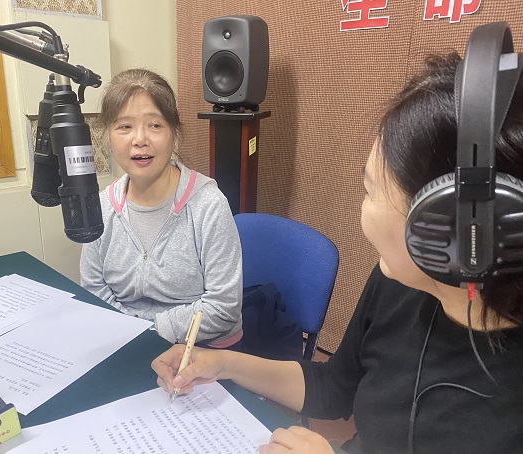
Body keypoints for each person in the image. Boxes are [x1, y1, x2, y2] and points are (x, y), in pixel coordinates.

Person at [152, 52, 523, 453]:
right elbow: (334, 388)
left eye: (371, 191)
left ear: (455, 224)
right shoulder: (398, 281)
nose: (362, 208)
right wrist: (224, 364)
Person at [80, 68, 243, 348]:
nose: (139, 139)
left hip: (200, 348)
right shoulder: (103, 205)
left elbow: (224, 307)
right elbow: (93, 288)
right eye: (124, 126)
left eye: (155, 125)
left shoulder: (208, 205)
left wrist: (149, 332)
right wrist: (127, 333)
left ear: (174, 133)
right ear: (107, 135)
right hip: (124, 341)